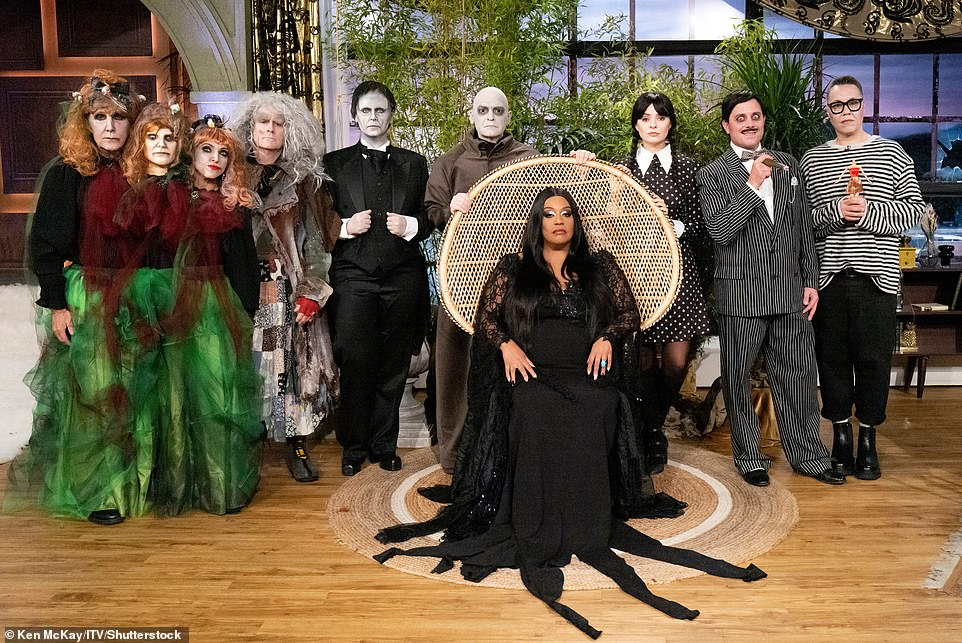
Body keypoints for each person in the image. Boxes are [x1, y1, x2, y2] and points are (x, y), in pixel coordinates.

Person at [374, 188, 766, 637]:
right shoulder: (515, 267)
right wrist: (507, 345)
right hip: (531, 373)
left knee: (601, 403)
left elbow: (628, 313)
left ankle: (585, 516)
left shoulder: (599, 266)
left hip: (585, 373)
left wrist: (607, 338)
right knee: (532, 408)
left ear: (576, 222)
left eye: (566, 213)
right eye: (549, 214)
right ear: (537, 223)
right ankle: (537, 512)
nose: (558, 220)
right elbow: (487, 319)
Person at [427, 86, 594, 474]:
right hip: (461, 274)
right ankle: (455, 456)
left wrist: (580, 165)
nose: (490, 117)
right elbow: (432, 210)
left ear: (508, 116)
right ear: (472, 115)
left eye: (498, 111)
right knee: (455, 364)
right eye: (483, 110)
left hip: (516, 279)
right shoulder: (450, 161)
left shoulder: (529, 159)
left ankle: (511, 449)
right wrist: (448, 208)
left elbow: (562, 203)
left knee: (517, 358)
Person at [6, 71, 145, 525]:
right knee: (94, 393)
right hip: (87, 296)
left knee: (134, 389)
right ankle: (96, 491)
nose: (110, 126)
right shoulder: (67, 174)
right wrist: (58, 305)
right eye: (100, 117)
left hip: (136, 294)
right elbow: (45, 245)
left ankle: (133, 482)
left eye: (119, 118)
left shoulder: (141, 172)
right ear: (85, 123)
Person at [113, 102, 262, 516]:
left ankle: (220, 487)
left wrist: (244, 315)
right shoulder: (171, 194)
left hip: (217, 305)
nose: (215, 160)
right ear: (190, 154)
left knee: (218, 395)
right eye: (206, 150)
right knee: (174, 396)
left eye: (223, 153)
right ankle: (178, 483)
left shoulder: (234, 205)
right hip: (173, 303)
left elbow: (244, 267)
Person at [697, 91, 843, 487]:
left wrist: (810, 280)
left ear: (763, 121)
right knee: (737, 377)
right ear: (726, 126)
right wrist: (752, 183)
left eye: (755, 116)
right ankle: (749, 457)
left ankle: (809, 456)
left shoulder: (788, 164)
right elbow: (720, 231)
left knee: (798, 376)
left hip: (790, 292)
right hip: (740, 296)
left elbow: (802, 228)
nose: (749, 123)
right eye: (740, 118)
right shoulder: (712, 173)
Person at [800, 76, 923, 480]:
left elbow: (913, 212)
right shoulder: (812, 160)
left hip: (878, 280)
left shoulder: (892, 153)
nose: (846, 112)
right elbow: (803, 223)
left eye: (852, 103)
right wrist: (835, 212)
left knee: (873, 361)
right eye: (837, 106)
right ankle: (840, 435)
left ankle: (868, 436)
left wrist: (869, 212)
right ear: (828, 112)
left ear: (863, 105)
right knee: (831, 361)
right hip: (829, 280)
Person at [323, 81, 432, 476]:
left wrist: (412, 226)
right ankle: (354, 447)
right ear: (355, 116)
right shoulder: (332, 164)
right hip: (353, 276)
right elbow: (317, 219)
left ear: (391, 115)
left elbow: (430, 216)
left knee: (394, 364)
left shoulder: (415, 163)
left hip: (403, 276)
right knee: (355, 360)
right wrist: (344, 227)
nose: (373, 117)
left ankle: (385, 445)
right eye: (366, 111)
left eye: (380, 110)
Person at [233, 93, 341, 483]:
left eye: (277, 123)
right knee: (248, 365)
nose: (269, 129)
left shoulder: (303, 180)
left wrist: (312, 290)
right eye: (262, 122)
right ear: (250, 127)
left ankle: (296, 443)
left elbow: (316, 241)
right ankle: (247, 441)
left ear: (289, 130)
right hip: (242, 288)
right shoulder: (230, 173)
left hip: (286, 288)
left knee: (292, 369)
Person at [624, 92, 711, 474]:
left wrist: (673, 224)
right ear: (636, 125)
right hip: (637, 272)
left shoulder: (689, 167)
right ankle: (653, 435)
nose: (653, 124)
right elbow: (604, 222)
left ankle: (652, 426)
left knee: (676, 363)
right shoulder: (623, 169)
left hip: (679, 272)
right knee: (642, 361)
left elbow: (705, 225)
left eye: (660, 117)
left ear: (670, 123)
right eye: (645, 118)